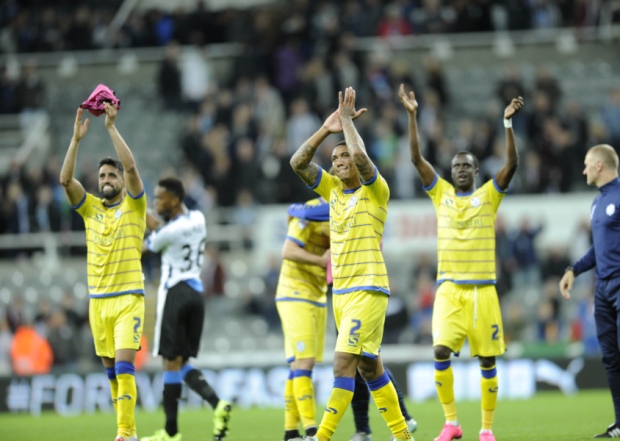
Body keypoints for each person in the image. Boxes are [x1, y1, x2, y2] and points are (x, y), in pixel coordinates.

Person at [398, 84, 524, 441]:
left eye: (467, 166)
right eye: (456, 166)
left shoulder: (489, 196)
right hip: (450, 289)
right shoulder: (441, 195)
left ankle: (486, 430)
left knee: (487, 361)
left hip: (484, 290)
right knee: (439, 350)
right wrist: (412, 115)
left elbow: (512, 164)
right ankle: (452, 423)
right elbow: (416, 159)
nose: (460, 170)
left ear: (477, 171)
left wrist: (507, 125)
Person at [289, 87, 413, 441]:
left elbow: (361, 158)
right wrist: (326, 131)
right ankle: (404, 436)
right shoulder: (331, 191)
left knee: (342, 363)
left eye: (342, 156)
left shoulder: (376, 191)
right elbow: (298, 163)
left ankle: (321, 436)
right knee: (369, 367)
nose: (337, 161)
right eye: (334, 159)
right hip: (341, 293)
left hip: (368, 288)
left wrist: (345, 123)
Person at [59, 103, 145, 441]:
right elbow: (65, 180)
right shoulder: (90, 208)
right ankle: (130, 432)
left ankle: (124, 433)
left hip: (128, 299)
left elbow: (133, 166)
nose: (106, 180)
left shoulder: (135, 206)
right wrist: (76, 140)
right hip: (98, 302)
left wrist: (110, 127)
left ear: (121, 180)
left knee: (124, 367)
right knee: (111, 373)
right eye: (102, 177)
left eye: (112, 175)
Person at [141, 177, 232, 441]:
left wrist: (133, 215)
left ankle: (170, 432)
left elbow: (145, 247)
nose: (156, 202)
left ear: (175, 199)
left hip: (175, 292)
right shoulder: (197, 219)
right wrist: (144, 213)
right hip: (196, 293)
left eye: (160, 198)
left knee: (169, 361)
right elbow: (166, 229)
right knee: (182, 362)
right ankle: (217, 404)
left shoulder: (169, 231)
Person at [559, 144, 620, 438]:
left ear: (599, 165)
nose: (582, 169)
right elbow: (600, 248)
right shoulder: (597, 204)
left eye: (586, 163)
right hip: (603, 288)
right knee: (610, 356)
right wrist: (573, 270)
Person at [276, 197, 331, 441]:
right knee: (305, 362)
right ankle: (311, 430)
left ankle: (290, 432)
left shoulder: (340, 211)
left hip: (316, 294)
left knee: (298, 364)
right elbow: (287, 250)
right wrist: (322, 261)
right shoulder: (309, 213)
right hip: (295, 292)